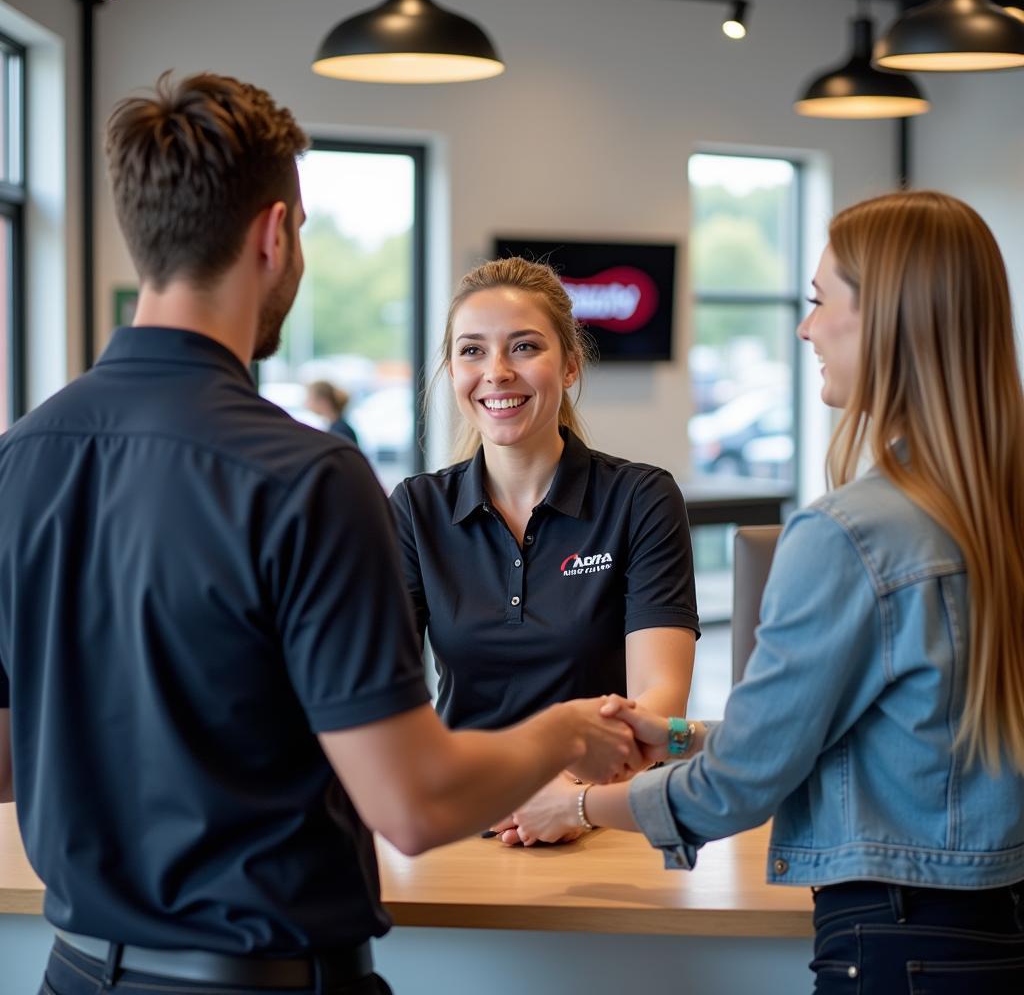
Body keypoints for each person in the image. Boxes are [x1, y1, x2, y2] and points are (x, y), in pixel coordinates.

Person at [0, 73, 642, 995]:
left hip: (73, 972)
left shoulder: (20, 458)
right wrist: (562, 736)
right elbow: (412, 805)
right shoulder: (306, 478)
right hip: (259, 977)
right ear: (274, 234)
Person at [511, 191, 1024, 991]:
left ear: (886, 320)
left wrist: (573, 808)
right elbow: (899, 740)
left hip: (899, 940)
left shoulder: (853, 533)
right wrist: (677, 738)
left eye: (820, 302)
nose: (804, 328)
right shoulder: (995, 511)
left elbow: (740, 789)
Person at [389, 257, 700, 844]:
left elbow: (658, 696)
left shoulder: (640, 498)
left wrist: (570, 798)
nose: (497, 372)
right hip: (462, 817)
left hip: (600, 811)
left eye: (524, 347)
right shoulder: (416, 509)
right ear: (452, 371)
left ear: (571, 364)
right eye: (472, 351)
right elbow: (385, 692)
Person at [306, 379, 359, 446]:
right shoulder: (336, 426)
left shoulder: (339, 430)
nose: (306, 403)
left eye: (310, 399)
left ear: (323, 401)